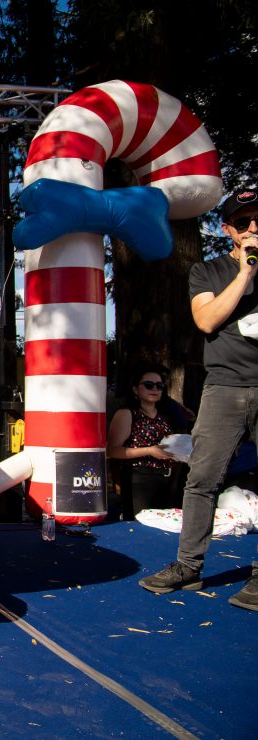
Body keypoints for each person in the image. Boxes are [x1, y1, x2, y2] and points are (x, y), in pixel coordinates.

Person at [139, 188, 258, 612]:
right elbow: (206, 320)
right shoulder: (208, 271)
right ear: (229, 231)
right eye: (243, 222)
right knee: (202, 479)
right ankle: (188, 566)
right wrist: (245, 273)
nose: (253, 227)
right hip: (225, 386)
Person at [106, 364, 180, 520]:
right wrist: (149, 450)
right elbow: (112, 450)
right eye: (148, 385)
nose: (155, 389)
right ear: (135, 389)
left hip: (166, 478)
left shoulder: (165, 416)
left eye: (159, 386)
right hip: (139, 479)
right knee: (140, 525)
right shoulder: (127, 413)